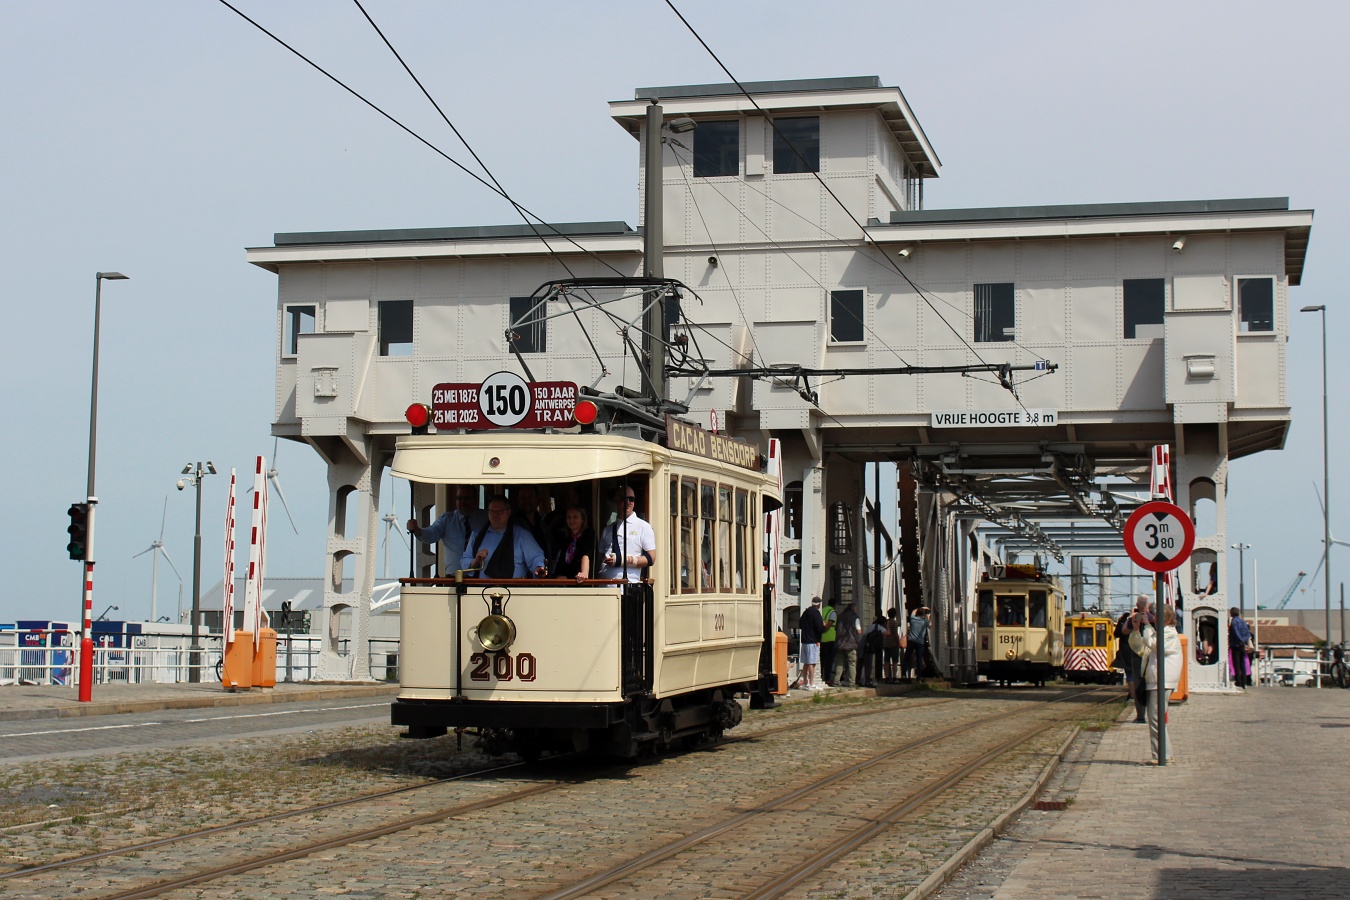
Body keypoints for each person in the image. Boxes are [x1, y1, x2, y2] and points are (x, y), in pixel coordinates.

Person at [1129, 603, 1182, 763]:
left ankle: (1162, 755)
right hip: (1157, 680)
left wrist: (1146, 626)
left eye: (1157, 617)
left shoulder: (1170, 634)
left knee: (1155, 718)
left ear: (1165, 619)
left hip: (1162, 680)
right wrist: (1138, 628)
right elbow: (1143, 645)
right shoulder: (1162, 633)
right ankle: (1164, 754)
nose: (1154, 620)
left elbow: (1154, 644)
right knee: (1155, 717)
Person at [461, 495, 547, 578]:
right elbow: (464, 562)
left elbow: (536, 557)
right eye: (492, 511)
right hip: (483, 590)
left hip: (514, 590)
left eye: (500, 512)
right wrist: (476, 561)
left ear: (508, 512)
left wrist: (539, 567)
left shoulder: (522, 535)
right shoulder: (476, 535)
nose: (496, 515)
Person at [407, 484, 487, 573]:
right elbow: (432, 534)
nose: (463, 502)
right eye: (459, 498)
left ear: (476, 499)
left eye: (466, 498)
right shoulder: (447, 519)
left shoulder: (486, 519)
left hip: (481, 577)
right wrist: (417, 530)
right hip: (454, 578)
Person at [598, 486, 656, 582]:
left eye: (631, 499)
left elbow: (651, 558)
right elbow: (599, 558)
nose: (628, 502)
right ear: (616, 500)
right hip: (604, 588)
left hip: (626, 589)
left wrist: (622, 561)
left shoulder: (644, 527)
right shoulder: (607, 530)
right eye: (624, 499)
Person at [1119, 596, 1150, 722]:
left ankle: (1141, 715)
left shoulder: (1135, 618)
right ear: (1149, 605)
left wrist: (1130, 617)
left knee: (1138, 684)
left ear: (1137, 604)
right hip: (1151, 654)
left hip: (1137, 655)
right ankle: (1154, 712)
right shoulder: (1153, 617)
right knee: (1152, 684)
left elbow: (1124, 631)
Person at [551, 505, 595, 582]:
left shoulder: (588, 534)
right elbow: (561, 559)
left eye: (575, 517)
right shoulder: (566, 538)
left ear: (583, 519)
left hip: (580, 581)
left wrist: (584, 573)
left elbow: (586, 555)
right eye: (569, 517)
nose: (571, 520)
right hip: (566, 582)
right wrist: (558, 576)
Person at [832, 601, 862, 688]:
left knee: (839, 663)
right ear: (854, 609)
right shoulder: (855, 618)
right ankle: (851, 682)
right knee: (852, 663)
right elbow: (859, 631)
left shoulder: (839, 616)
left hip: (840, 643)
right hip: (851, 644)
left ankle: (836, 681)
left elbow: (836, 628)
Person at [798, 597, 826, 690]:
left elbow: (800, 625)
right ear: (819, 604)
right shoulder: (816, 614)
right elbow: (820, 628)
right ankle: (812, 683)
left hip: (804, 640)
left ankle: (805, 682)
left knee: (806, 662)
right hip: (812, 641)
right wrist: (824, 625)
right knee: (811, 663)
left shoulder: (806, 612)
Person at [1229, 606, 1253, 689]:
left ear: (1231, 613)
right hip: (1242, 645)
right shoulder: (1243, 622)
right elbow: (1248, 633)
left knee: (1236, 663)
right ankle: (1244, 682)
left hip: (1236, 645)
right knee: (1243, 663)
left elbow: (1235, 631)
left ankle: (1238, 681)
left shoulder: (1234, 621)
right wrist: (1244, 641)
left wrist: (1239, 640)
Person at [904, 606, 929, 681]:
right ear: (923, 615)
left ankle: (903, 674)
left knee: (907, 657)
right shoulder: (925, 622)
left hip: (911, 640)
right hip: (920, 642)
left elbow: (913, 611)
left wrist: (922, 607)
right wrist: (928, 617)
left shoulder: (913, 619)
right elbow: (930, 625)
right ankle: (919, 676)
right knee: (919, 659)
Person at [862, 615, 886, 687]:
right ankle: (868, 680)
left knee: (866, 664)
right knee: (870, 664)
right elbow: (888, 633)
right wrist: (887, 626)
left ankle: (867, 679)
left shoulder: (871, 626)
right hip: (873, 647)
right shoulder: (879, 627)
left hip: (867, 646)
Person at [819, 599, 838, 686]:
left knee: (821, 660)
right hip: (830, 639)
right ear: (834, 605)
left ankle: (820, 677)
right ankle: (827, 678)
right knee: (829, 661)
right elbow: (830, 623)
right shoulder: (832, 612)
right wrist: (824, 629)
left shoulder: (822, 610)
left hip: (821, 639)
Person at [882, 607, 903, 683]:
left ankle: (887, 677)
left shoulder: (885, 622)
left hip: (886, 643)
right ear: (894, 615)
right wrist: (898, 642)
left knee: (886, 661)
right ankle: (894, 677)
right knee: (895, 661)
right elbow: (895, 634)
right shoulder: (894, 623)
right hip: (893, 644)